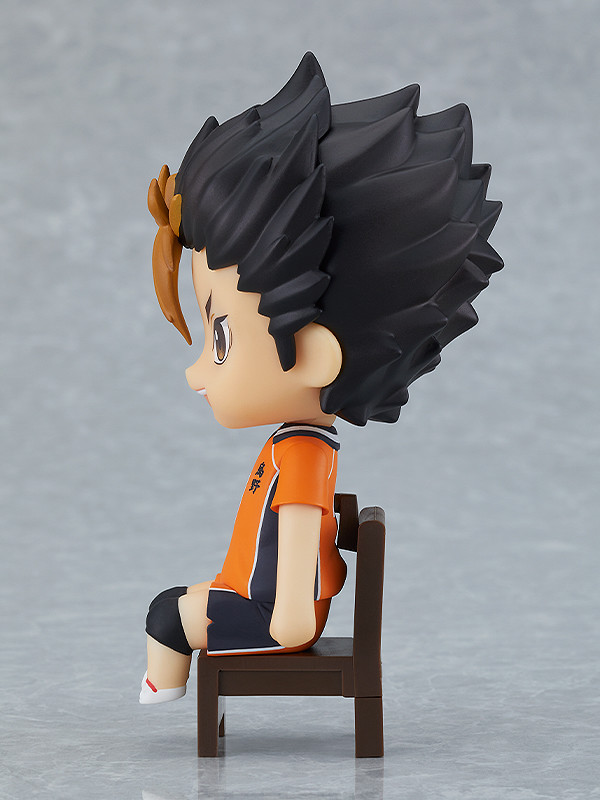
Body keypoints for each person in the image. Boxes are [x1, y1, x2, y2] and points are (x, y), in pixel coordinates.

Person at [140, 52, 503, 704]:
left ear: (312, 354)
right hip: (250, 595)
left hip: (270, 617)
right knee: (176, 605)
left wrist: (289, 619)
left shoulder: (303, 454)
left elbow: (300, 539)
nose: (198, 373)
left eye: (220, 338)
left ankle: (160, 694)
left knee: (167, 617)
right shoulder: (301, 446)